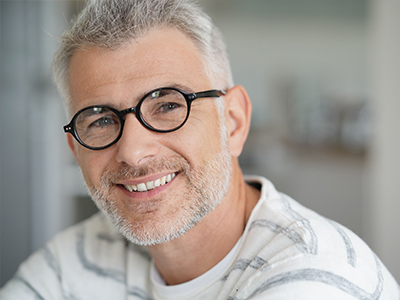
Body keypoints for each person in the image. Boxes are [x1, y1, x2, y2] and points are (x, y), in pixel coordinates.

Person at [1, 0, 399, 299]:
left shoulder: (311, 276)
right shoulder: (80, 257)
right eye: (101, 119)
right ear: (75, 149)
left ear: (234, 121)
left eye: (168, 105)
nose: (133, 152)